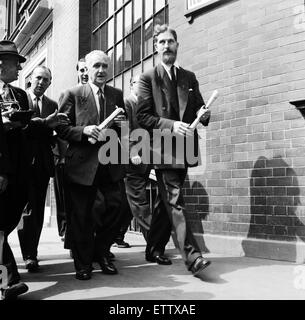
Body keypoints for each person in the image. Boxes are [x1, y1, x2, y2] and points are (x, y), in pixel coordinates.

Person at [136, 25, 211, 277]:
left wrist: (204, 114)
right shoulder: (148, 78)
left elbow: (201, 109)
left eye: (170, 42)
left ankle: (154, 247)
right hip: (164, 150)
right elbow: (143, 116)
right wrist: (171, 125)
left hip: (185, 149)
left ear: (177, 45)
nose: (166, 46)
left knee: (166, 202)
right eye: (161, 42)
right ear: (156, 47)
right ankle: (192, 256)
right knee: (176, 200)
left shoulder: (189, 77)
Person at [0, 40, 67, 299]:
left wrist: (43, 122)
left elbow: (27, 128)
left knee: (5, 224)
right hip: (2, 167)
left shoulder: (18, 95)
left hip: (19, 171)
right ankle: (9, 281)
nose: (19, 67)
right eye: (15, 62)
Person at [57, 50, 126, 281]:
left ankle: (102, 252)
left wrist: (120, 124)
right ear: (86, 68)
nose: (101, 70)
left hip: (109, 163)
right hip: (82, 165)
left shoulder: (116, 94)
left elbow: (123, 129)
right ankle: (83, 263)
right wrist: (83, 130)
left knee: (116, 209)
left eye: (105, 66)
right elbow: (62, 128)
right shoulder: (73, 94)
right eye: (96, 66)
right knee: (82, 216)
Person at [17, 66, 62, 272]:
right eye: (38, 78)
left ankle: (31, 253)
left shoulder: (53, 105)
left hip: (42, 165)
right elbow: (22, 130)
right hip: (21, 164)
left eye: (46, 80)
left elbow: (55, 133)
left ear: (49, 83)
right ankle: (26, 253)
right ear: (30, 79)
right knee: (23, 210)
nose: (41, 82)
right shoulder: (19, 100)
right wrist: (44, 126)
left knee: (36, 211)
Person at [123, 75, 152, 242]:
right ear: (131, 86)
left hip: (147, 158)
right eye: (137, 83)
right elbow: (124, 129)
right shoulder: (127, 103)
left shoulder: (146, 105)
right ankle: (153, 242)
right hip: (133, 159)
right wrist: (132, 152)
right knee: (139, 200)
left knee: (129, 201)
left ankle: (118, 235)